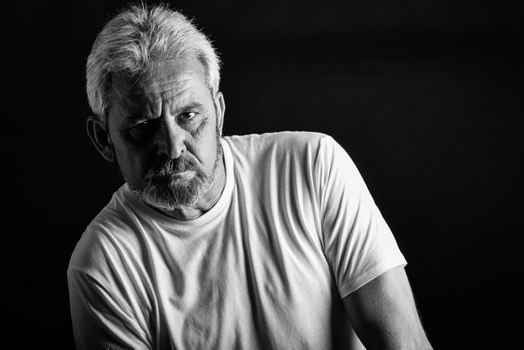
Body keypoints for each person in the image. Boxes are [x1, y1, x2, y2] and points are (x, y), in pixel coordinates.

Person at [68, 4, 432, 350]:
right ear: (103, 139)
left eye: (189, 116)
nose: (172, 148)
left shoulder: (312, 167)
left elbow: (402, 342)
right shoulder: (104, 265)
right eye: (143, 126)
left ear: (219, 112)